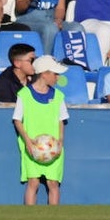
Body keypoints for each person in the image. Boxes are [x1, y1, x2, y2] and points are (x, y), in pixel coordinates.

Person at [13, 55, 69, 206]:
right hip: (32, 147)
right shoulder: (24, 94)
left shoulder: (58, 96)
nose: (58, 77)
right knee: (33, 182)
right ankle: (30, 219)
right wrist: (28, 141)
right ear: (44, 73)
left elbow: (61, 120)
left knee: (53, 183)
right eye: (55, 74)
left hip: (53, 148)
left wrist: (60, 142)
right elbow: (17, 120)